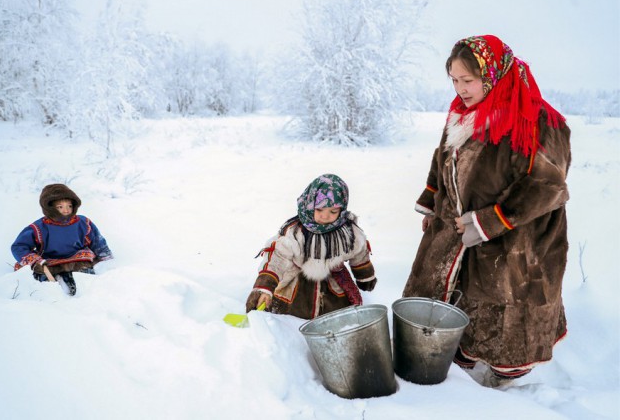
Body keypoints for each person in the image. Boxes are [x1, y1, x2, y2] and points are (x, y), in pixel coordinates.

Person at [402, 35, 571, 388]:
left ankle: (504, 384)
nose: (460, 89)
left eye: (468, 80)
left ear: (492, 75)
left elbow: (547, 185)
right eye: (454, 80)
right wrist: (433, 204)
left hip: (518, 240)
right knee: (459, 295)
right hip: (458, 231)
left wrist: (490, 221)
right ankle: (459, 360)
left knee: (505, 310)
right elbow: (443, 160)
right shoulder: (463, 114)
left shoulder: (537, 119)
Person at [245, 174, 377, 319]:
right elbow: (278, 258)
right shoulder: (296, 233)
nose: (325, 217)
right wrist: (264, 287)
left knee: (339, 317)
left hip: (332, 283)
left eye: (333, 211)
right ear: (309, 203)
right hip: (297, 285)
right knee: (292, 315)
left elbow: (359, 251)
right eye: (319, 210)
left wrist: (365, 275)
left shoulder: (347, 233)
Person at [11, 184, 113, 296]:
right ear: (49, 208)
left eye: (69, 206)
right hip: (50, 260)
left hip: (77, 258)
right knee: (38, 274)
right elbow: (19, 246)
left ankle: (81, 283)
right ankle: (51, 287)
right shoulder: (39, 227)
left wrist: (106, 259)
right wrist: (35, 261)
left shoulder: (83, 222)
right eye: (60, 207)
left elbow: (97, 241)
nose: (66, 210)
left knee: (87, 270)